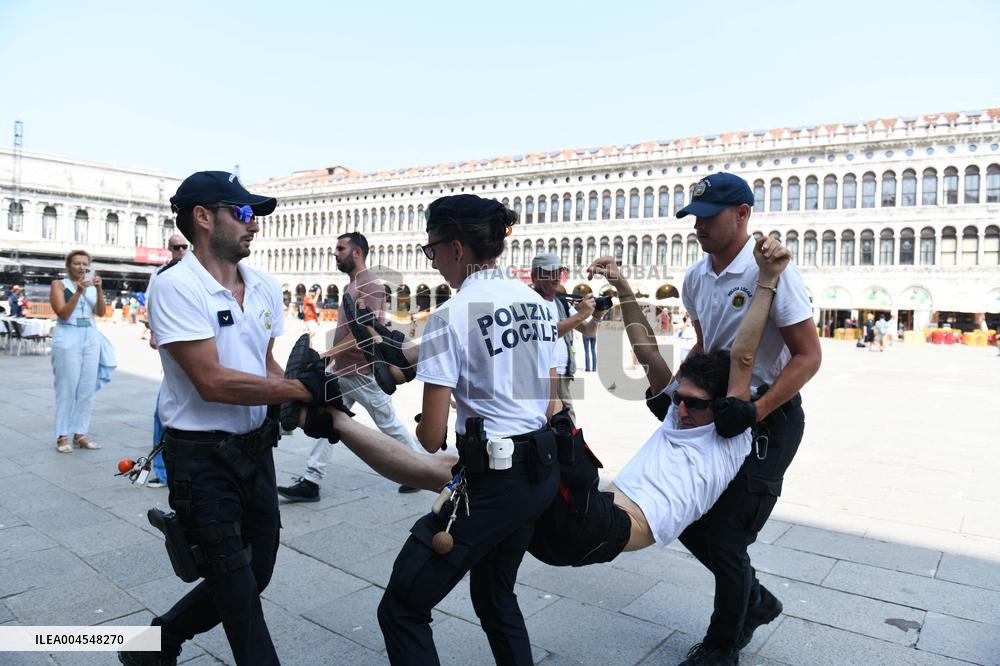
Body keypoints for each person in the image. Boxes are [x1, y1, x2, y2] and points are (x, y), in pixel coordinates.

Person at [125, 171, 333, 666]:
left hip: (255, 450)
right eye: (242, 213)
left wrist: (307, 403)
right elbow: (212, 382)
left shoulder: (263, 286)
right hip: (201, 460)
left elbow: (265, 364)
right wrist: (299, 388)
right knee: (237, 592)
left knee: (256, 571)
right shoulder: (175, 286)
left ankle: (155, 644)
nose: (253, 224)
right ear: (203, 217)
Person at [372, 194, 561, 666]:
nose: (431, 260)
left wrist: (428, 418)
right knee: (495, 597)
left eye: (431, 249)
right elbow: (551, 401)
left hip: (492, 484)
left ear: (456, 248)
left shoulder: (451, 315)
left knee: (402, 606)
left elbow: (431, 439)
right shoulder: (538, 304)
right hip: (541, 470)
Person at [526, 236, 789, 569]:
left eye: (694, 404)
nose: (680, 411)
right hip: (585, 516)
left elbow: (743, 356)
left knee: (554, 427)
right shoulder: (679, 413)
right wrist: (622, 286)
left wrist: (767, 281)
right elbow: (647, 350)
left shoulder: (730, 431)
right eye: (680, 399)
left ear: (720, 405)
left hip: (603, 528)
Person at [664, 172, 820, 665]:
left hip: (769, 418)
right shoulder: (695, 277)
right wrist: (676, 393)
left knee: (728, 537)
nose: (699, 227)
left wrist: (756, 411)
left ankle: (720, 646)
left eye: (709, 218)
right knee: (687, 517)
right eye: (694, 218)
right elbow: (705, 346)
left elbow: (808, 356)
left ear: (742, 214)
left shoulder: (771, 271)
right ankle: (755, 600)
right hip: (715, 414)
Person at [277, 231, 426, 501]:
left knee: (390, 425)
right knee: (326, 419)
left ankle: (421, 470)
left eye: (341, 249)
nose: (335, 253)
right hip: (342, 371)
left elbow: (365, 332)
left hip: (363, 372)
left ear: (357, 252)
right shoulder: (353, 284)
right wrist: (331, 359)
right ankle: (311, 480)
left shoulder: (371, 285)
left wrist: (327, 353)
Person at [531, 252, 604, 421]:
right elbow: (548, 333)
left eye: (559, 272)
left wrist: (596, 316)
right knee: (547, 420)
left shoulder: (561, 302)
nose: (557, 277)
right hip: (541, 374)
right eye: (550, 272)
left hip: (563, 372)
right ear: (535, 276)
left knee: (567, 421)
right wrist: (581, 315)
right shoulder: (529, 301)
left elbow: (588, 331)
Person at [48, 251, 107, 454]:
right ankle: (62, 434)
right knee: (67, 387)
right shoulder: (59, 285)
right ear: (69, 266)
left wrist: (98, 289)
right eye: (77, 263)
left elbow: (101, 312)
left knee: (87, 388)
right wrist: (78, 292)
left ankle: (80, 433)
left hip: (90, 335)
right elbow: (63, 314)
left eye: (85, 264)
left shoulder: (90, 285)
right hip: (68, 335)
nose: (82, 267)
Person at [145, 234, 190, 488]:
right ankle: (162, 471)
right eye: (176, 247)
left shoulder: (200, 271)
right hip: (173, 348)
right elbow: (151, 303)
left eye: (184, 246)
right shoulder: (161, 274)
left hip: (198, 347)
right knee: (162, 410)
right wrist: (153, 331)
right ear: (169, 249)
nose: (181, 251)